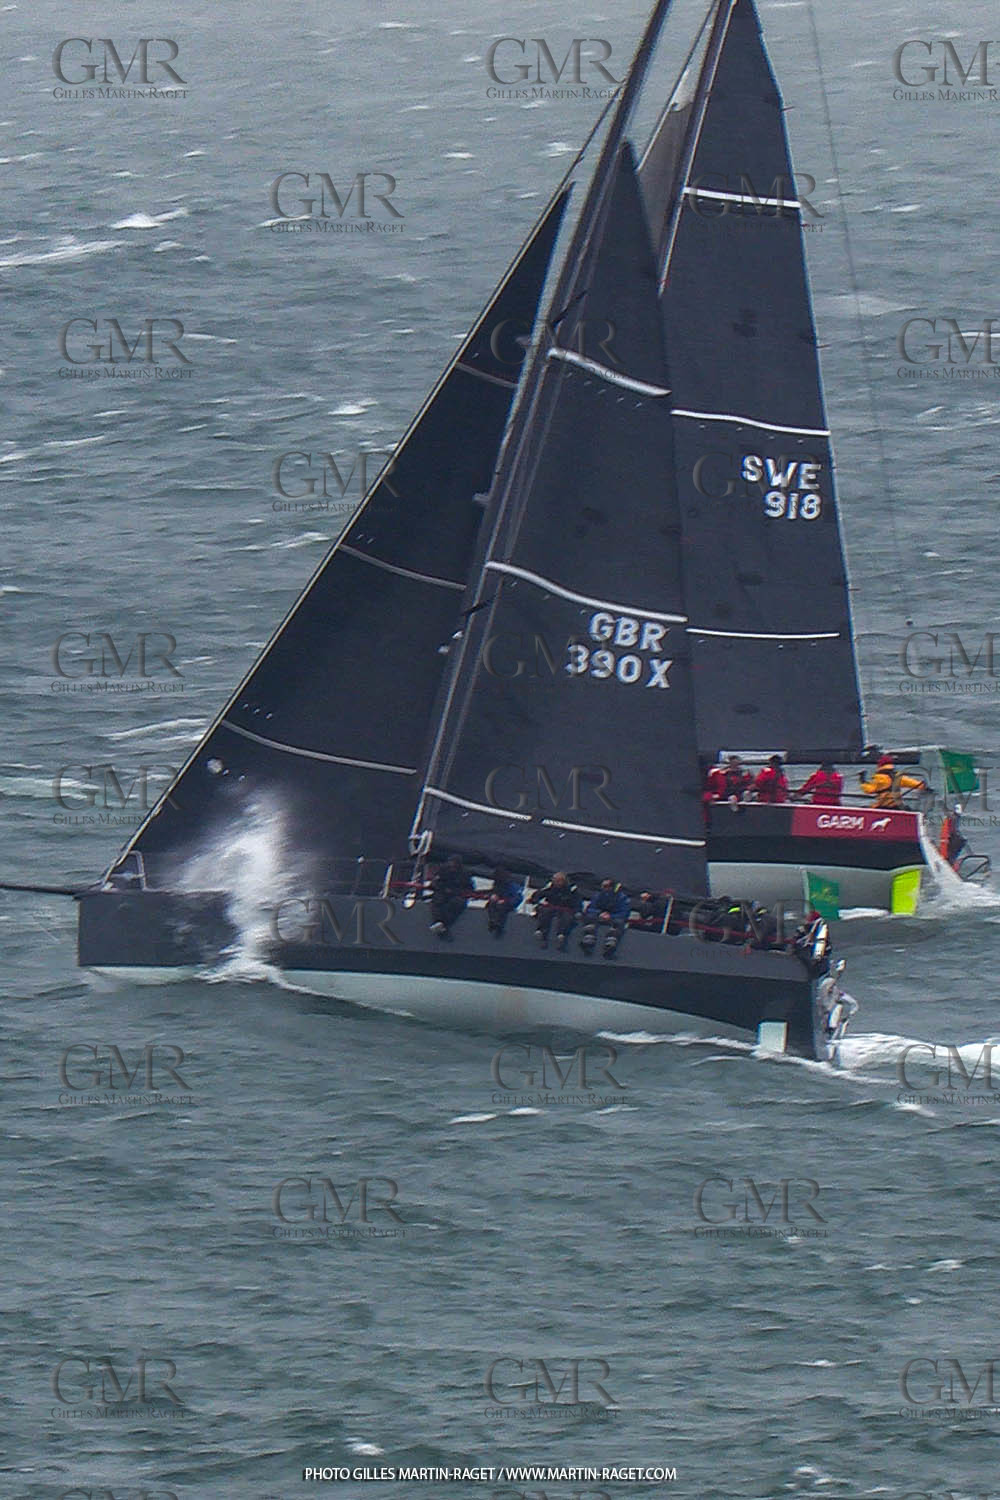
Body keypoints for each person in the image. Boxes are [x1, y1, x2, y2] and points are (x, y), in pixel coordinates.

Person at [580, 878, 631, 959]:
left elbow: (624, 913)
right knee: (590, 917)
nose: (603, 888)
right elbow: (590, 908)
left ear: (612, 887)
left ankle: (610, 946)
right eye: (603, 886)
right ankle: (588, 942)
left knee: (619, 922)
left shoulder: (622, 898)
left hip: (614, 918)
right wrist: (599, 913)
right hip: (599, 916)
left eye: (606, 886)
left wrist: (611, 916)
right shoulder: (598, 895)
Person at [533, 872, 582, 950]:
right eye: (555, 880)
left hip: (565, 908)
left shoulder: (572, 889)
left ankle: (561, 934)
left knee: (567, 916)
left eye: (560, 880)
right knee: (545, 912)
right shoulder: (549, 886)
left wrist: (578, 911)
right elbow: (539, 894)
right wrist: (535, 901)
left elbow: (578, 901)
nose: (557, 882)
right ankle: (541, 931)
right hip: (551, 907)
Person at [429, 854, 472, 940]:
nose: (452, 866)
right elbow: (435, 883)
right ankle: (438, 922)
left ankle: (443, 924)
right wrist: (442, 888)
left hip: (457, 895)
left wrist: (456, 892)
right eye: (451, 863)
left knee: (457, 903)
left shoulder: (465, 873)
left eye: (454, 864)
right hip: (443, 892)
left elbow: (469, 887)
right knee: (437, 901)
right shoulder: (443, 870)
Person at [859, 755, 927, 809]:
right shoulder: (898, 776)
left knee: (865, 807)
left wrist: (862, 781)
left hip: (882, 806)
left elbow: (869, 790)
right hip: (896, 805)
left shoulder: (879, 778)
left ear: (880, 765)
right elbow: (913, 783)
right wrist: (923, 785)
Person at [485, 866, 523, 938]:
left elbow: (518, 898)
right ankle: (492, 921)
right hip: (496, 903)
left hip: (507, 904)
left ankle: (499, 926)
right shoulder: (497, 884)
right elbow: (494, 892)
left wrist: (506, 901)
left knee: (501, 907)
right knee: (491, 904)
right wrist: (492, 896)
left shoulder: (512, 885)